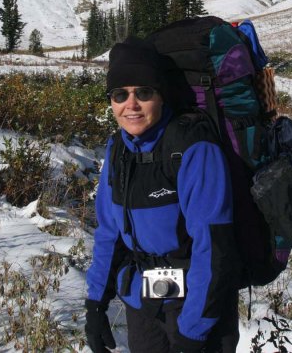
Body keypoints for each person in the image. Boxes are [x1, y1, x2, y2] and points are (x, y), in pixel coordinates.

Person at [84, 36, 241, 353]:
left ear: (161, 95)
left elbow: (214, 246)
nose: (131, 104)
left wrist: (192, 332)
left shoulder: (192, 148)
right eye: (119, 94)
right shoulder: (118, 150)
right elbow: (109, 233)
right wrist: (95, 303)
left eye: (143, 92)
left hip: (198, 307)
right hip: (143, 303)